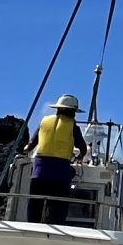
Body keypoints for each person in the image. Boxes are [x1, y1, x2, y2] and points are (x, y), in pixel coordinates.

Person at [31, 92, 82, 223]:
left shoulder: (44, 122)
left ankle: (31, 227)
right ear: (72, 111)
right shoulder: (72, 125)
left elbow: (31, 144)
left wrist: (25, 149)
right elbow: (82, 147)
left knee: (34, 208)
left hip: (39, 173)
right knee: (57, 211)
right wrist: (80, 156)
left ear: (58, 109)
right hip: (60, 175)